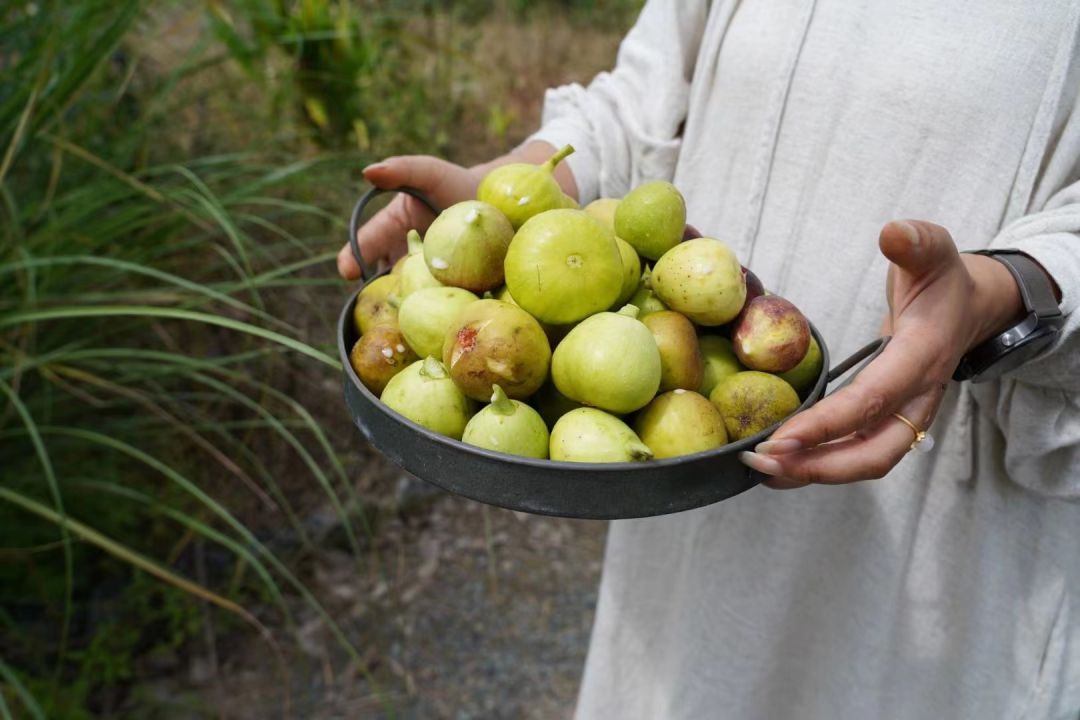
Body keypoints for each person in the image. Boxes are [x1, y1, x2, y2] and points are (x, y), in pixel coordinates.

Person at [340, 2, 1079, 717]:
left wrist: (1005, 288)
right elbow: (641, 104)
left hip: (948, 483)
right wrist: (505, 207)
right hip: (673, 433)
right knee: (691, 673)